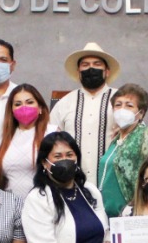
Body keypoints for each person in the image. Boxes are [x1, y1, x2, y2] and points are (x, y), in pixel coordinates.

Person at [48, 42, 120, 179]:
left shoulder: (121, 100)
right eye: (85, 65)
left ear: (107, 71)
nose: (91, 68)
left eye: (97, 64)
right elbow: (50, 140)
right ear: (78, 72)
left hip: (112, 181)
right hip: (72, 181)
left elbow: (138, 135)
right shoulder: (64, 103)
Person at [97, 83, 148, 216]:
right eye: (118, 105)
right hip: (108, 214)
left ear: (141, 113)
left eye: (129, 105)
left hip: (133, 214)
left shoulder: (146, 135)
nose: (122, 109)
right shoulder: (116, 139)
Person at [0, 83, 56, 197]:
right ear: (11, 110)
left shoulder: (52, 133)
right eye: (18, 104)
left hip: (43, 201)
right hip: (10, 202)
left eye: (29, 102)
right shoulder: (4, 139)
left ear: (40, 107)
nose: (24, 107)